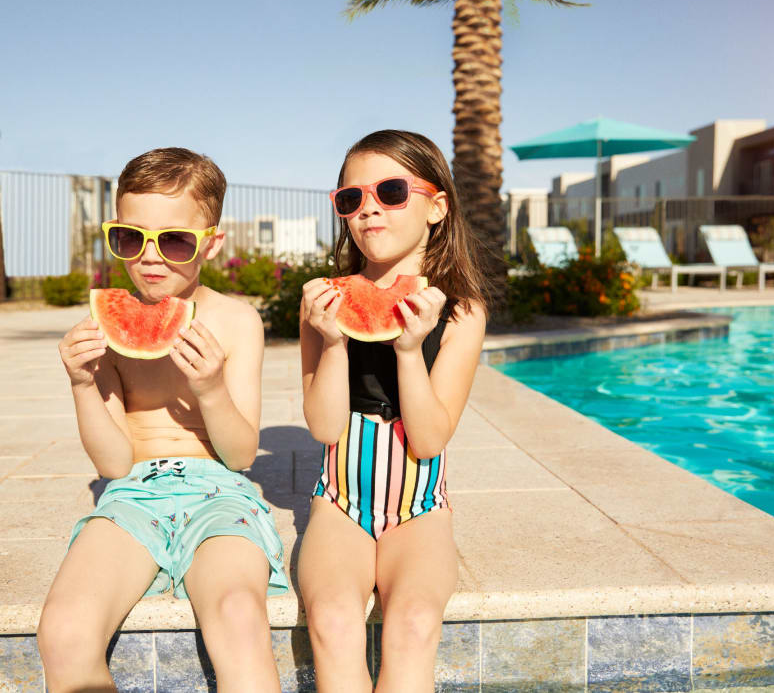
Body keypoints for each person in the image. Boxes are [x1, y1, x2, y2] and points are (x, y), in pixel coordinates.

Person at [37, 147, 286, 692]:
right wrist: (82, 384)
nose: (150, 257)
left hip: (220, 492)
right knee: (63, 628)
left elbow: (242, 455)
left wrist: (212, 389)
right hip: (132, 493)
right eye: (130, 238)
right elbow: (112, 461)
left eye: (173, 240)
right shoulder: (101, 329)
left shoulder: (239, 322)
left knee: (240, 614)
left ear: (212, 243)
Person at [297, 129, 494, 691]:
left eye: (389, 191)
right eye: (351, 198)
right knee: (333, 619)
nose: (369, 210)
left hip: (421, 505)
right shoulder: (323, 301)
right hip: (340, 502)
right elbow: (324, 426)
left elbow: (430, 440)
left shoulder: (462, 312)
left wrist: (410, 351)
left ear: (437, 206)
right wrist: (333, 341)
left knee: (412, 623)